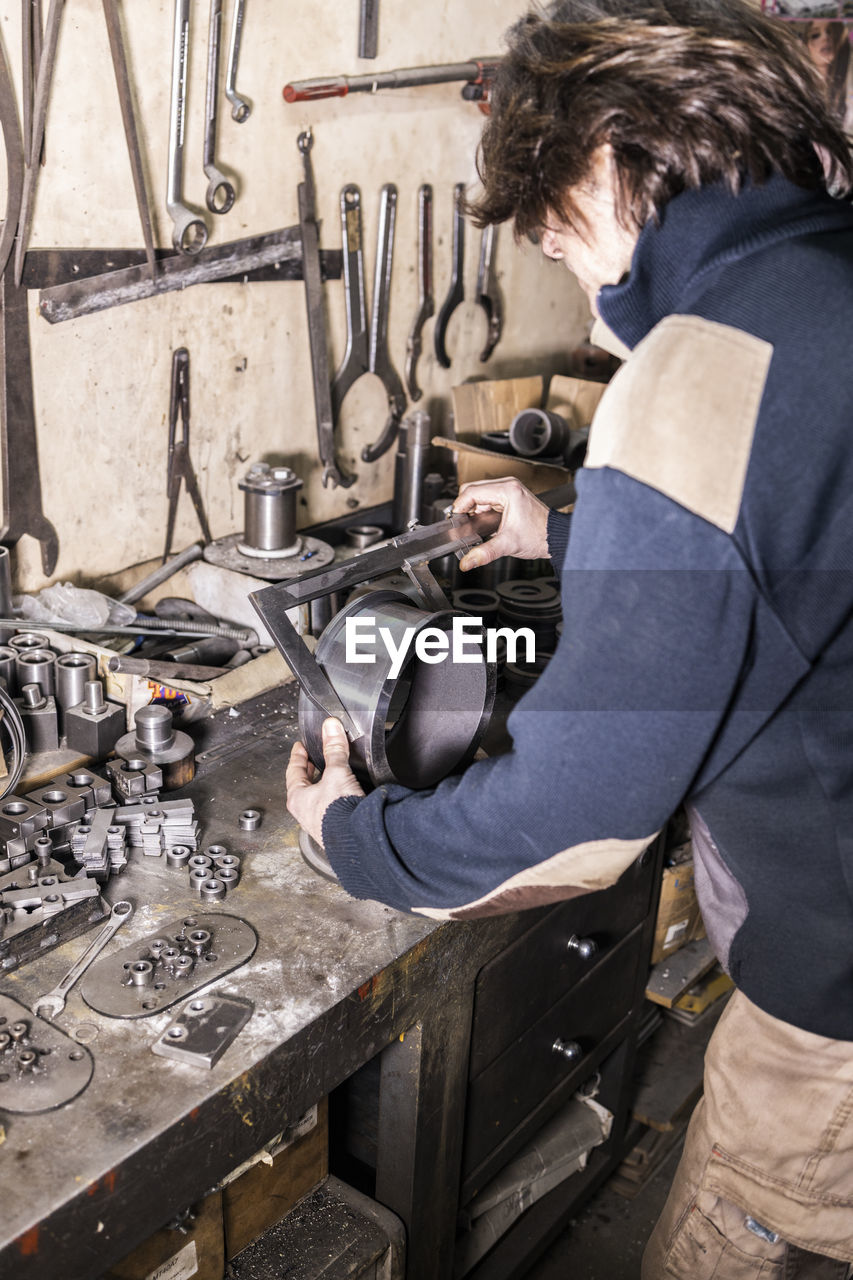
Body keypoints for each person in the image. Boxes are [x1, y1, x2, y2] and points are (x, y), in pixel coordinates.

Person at [287, 2, 853, 1275]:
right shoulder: (821, 282)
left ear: (602, 156)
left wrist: (361, 841)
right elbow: (793, 520)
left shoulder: (703, 354)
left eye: (556, 234)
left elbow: (584, 817)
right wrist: (572, 527)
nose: (590, 300)